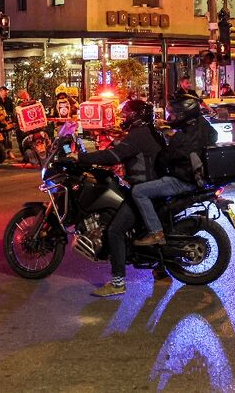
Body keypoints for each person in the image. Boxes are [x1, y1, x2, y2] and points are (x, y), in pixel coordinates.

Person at [78, 99, 165, 297]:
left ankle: (118, 282)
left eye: (127, 114)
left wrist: (85, 158)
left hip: (144, 189)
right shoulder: (147, 132)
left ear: (136, 116)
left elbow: (116, 156)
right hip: (152, 186)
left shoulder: (139, 134)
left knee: (115, 230)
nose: (124, 117)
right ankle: (161, 268)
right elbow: (124, 151)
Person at [131, 96, 215, 249]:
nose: (171, 118)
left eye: (174, 115)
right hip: (198, 178)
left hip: (183, 180)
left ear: (184, 115)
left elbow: (166, 159)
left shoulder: (181, 137)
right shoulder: (203, 124)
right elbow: (210, 138)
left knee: (138, 191)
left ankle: (156, 233)